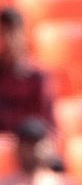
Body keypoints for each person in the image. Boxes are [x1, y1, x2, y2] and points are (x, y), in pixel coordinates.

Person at [0, 7, 56, 135]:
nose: (7, 41)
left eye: (12, 33)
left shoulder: (36, 78)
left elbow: (46, 126)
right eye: (3, 33)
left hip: (26, 143)